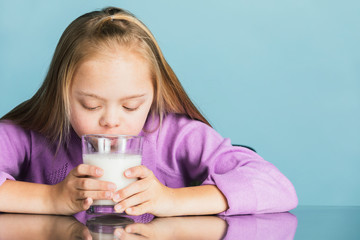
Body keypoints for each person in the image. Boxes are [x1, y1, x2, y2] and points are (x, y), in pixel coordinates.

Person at [0, 7, 298, 216]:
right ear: (61, 94)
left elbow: (277, 187)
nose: (111, 121)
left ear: (155, 96)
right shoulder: (33, 134)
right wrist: (52, 198)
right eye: (90, 105)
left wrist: (171, 201)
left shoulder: (177, 137)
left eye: (131, 105)